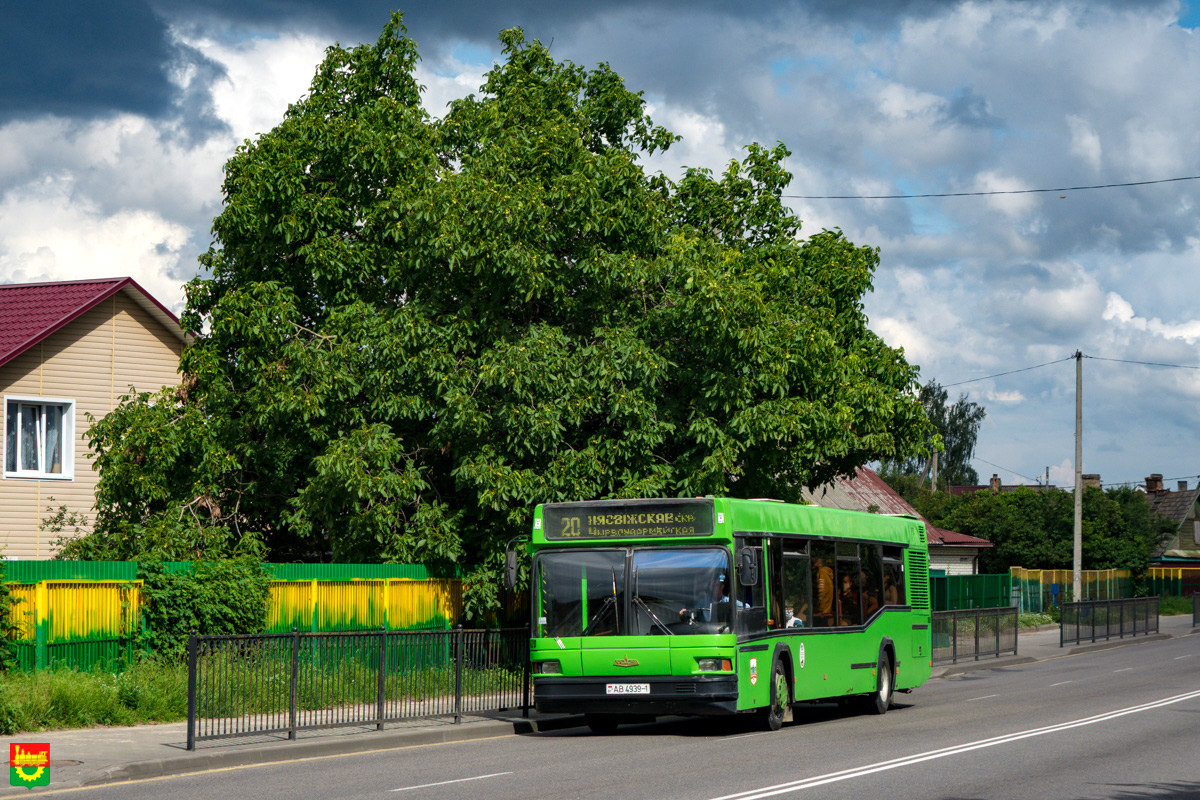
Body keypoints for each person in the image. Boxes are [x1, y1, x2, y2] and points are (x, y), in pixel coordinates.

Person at [814, 557, 835, 626]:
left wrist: (819, 608)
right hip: (827, 608)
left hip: (823, 611)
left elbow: (821, 592)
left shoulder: (821, 573)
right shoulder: (828, 572)